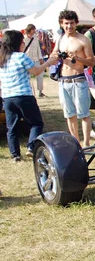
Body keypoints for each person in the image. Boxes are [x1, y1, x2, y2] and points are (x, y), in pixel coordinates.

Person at [0, 30, 57, 162]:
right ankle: (31, 147)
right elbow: (36, 71)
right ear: (17, 43)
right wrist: (48, 63)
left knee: (11, 127)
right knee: (36, 123)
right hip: (23, 95)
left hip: (8, 97)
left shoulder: (2, 59)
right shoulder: (21, 57)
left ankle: (15, 155)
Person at [51, 10, 95, 147]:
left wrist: (77, 58)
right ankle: (76, 143)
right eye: (66, 24)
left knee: (84, 114)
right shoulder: (60, 39)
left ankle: (87, 143)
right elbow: (52, 55)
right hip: (63, 81)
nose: (69, 26)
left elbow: (91, 62)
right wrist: (56, 55)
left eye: (71, 23)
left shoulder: (83, 40)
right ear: (61, 24)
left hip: (78, 80)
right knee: (69, 114)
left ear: (76, 23)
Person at [23, 24, 46, 98]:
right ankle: (29, 93)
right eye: (33, 29)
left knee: (40, 75)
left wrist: (40, 58)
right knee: (27, 77)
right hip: (27, 59)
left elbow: (38, 49)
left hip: (36, 59)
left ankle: (40, 92)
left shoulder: (35, 38)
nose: (34, 31)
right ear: (29, 30)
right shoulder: (23, 38)